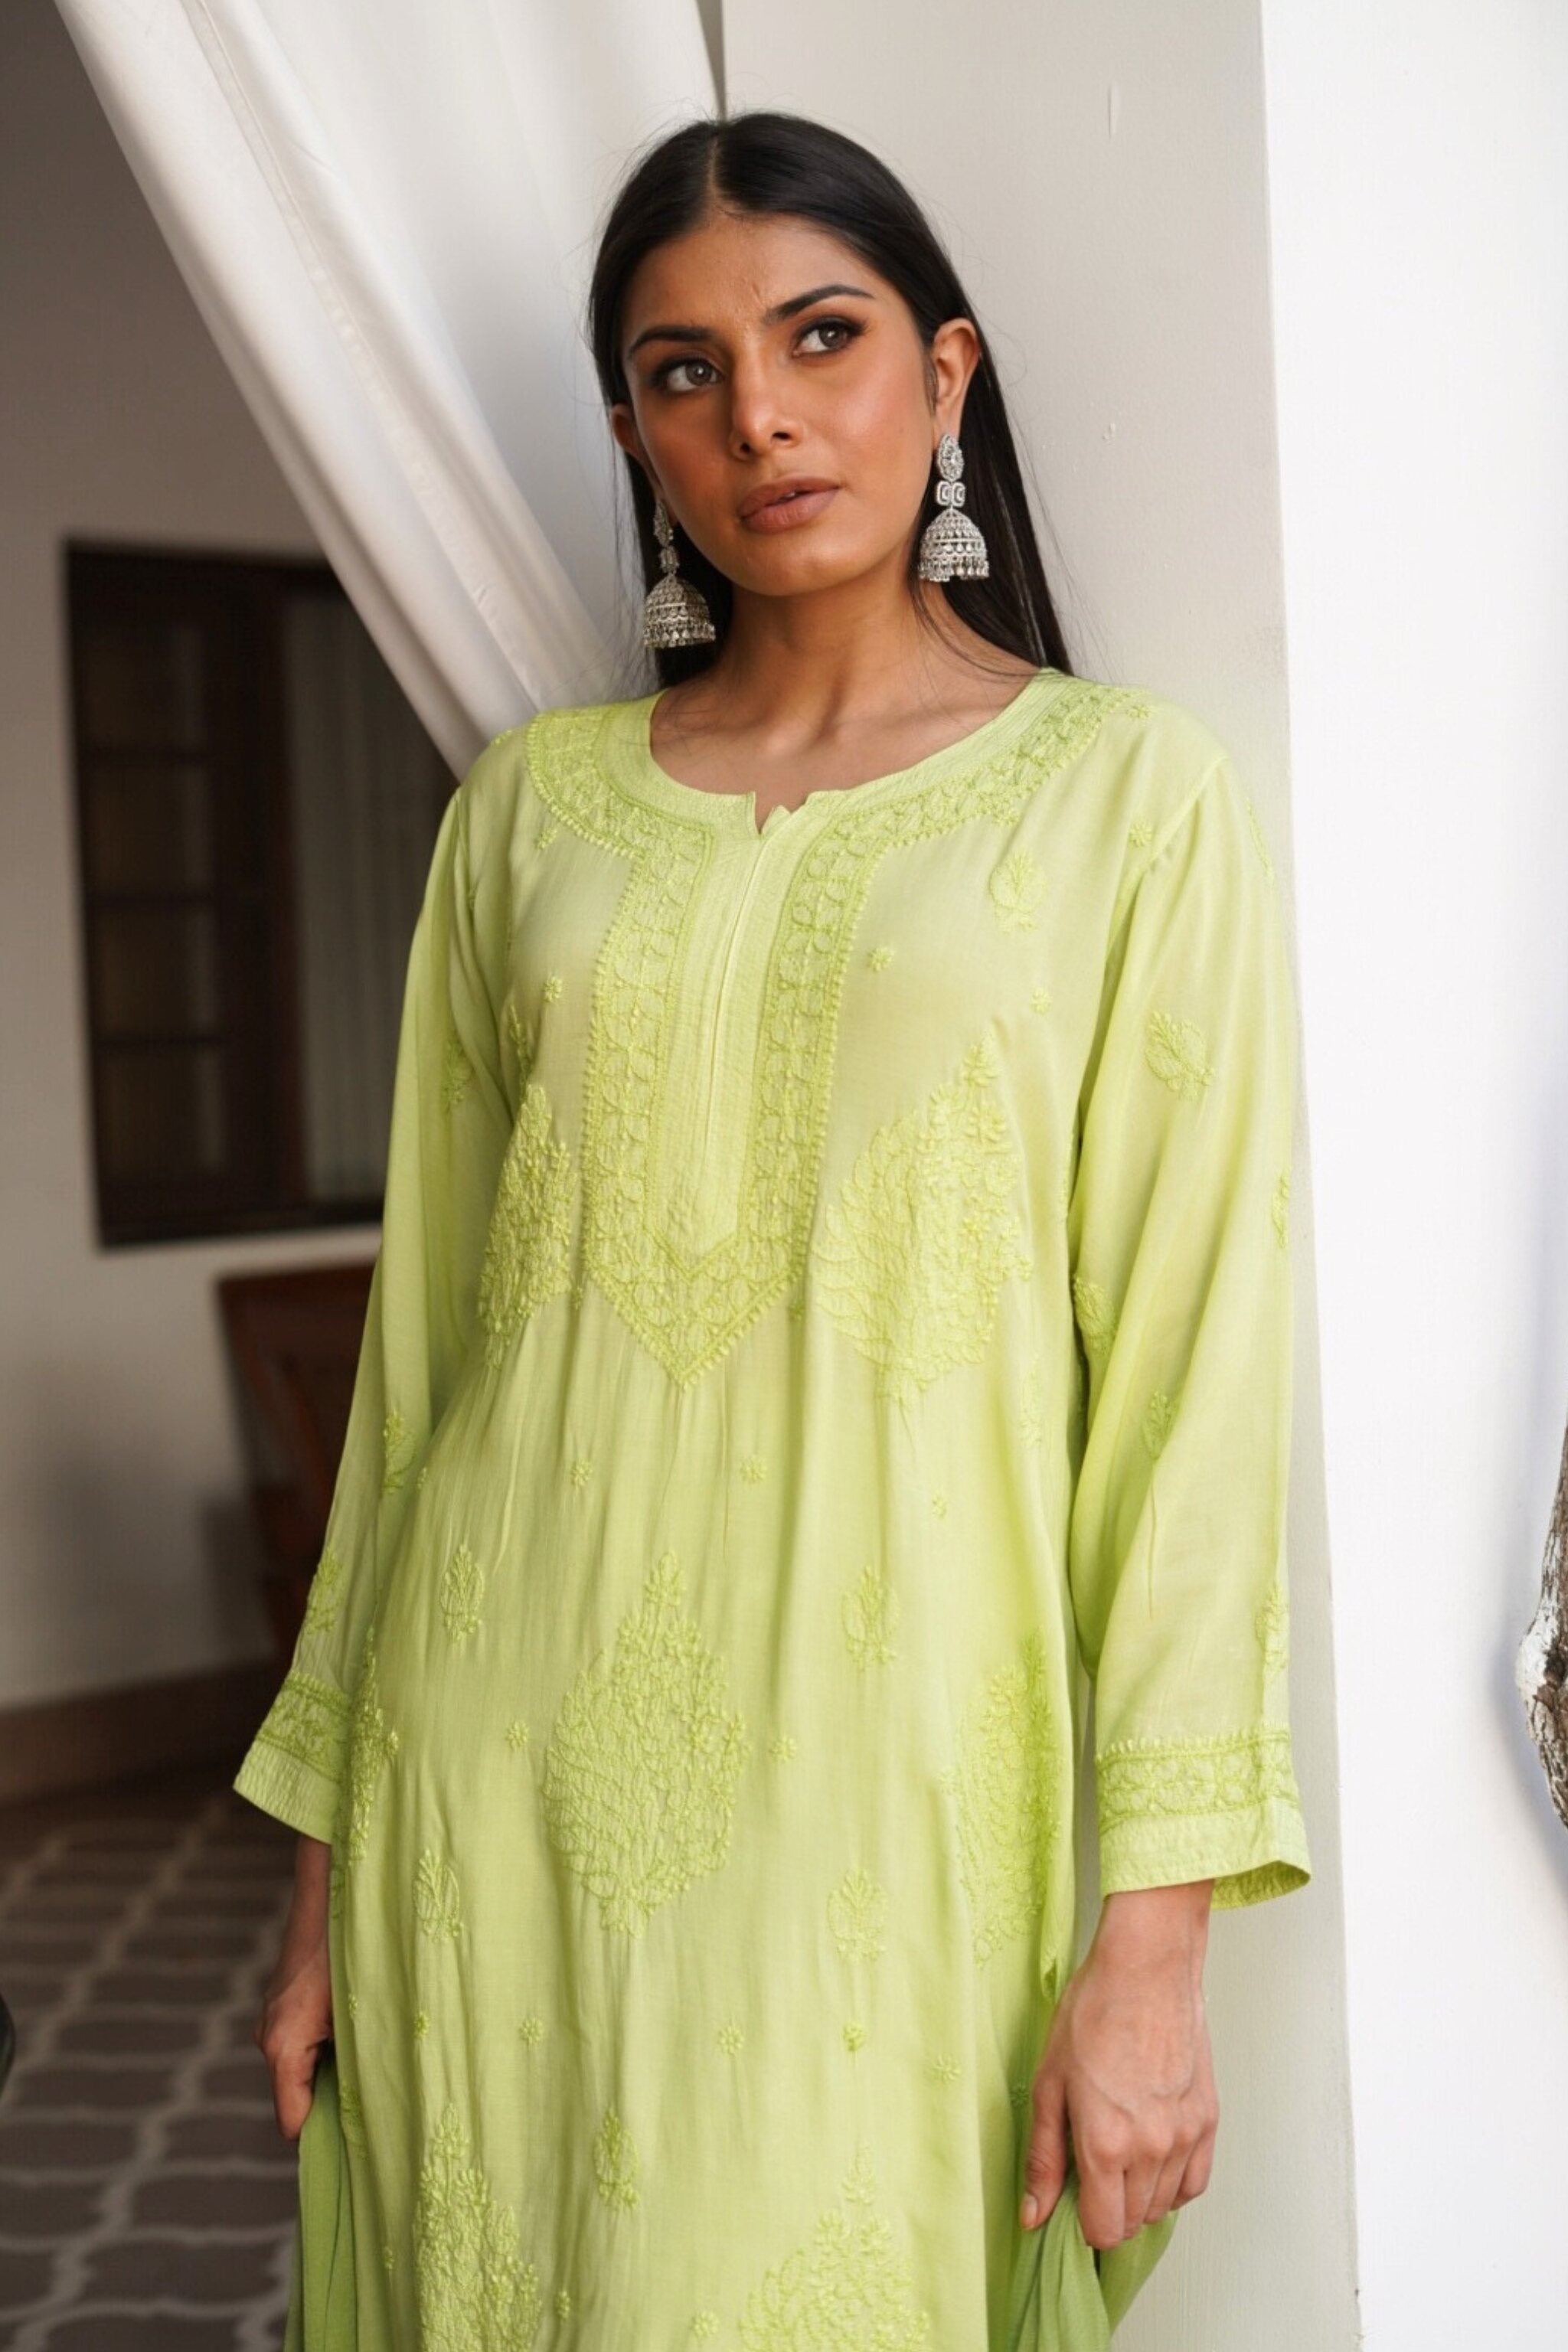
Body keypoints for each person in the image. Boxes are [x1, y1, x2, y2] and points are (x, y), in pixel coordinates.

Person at [240, 106, 1311, 2350]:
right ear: (635, 429)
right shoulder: (529, 815)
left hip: (900, 1799)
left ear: (947, 371)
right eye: (684, 370)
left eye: (821, 337)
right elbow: (422, 1365)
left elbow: (1194, 1403)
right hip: (491, 1777)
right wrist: (334, 1863)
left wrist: (1154, 1946)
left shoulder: (1126, 802)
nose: (763, 414)